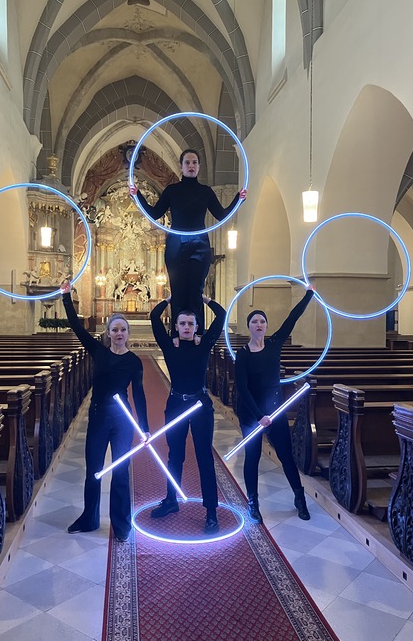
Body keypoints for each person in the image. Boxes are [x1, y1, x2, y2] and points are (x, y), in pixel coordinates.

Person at [60, 280, 149, 541]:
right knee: (94, 469)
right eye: (115, 329)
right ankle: (89, 518)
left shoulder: (134, 362)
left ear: (128, 333)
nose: (119, 333)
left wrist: (144, 428)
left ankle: (121, 524)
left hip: (122, 420)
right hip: (98, 416)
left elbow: (140, 395)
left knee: (120, 472)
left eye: (123, 329)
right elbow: (77, 326)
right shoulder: (98, 351)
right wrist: (66, 296)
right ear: (108, 333)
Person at [130, 149, 246, 337]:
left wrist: (238, 199)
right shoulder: (172, 191)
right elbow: (155, 213)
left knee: (196, 291)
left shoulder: (206, 192)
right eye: (187, 163)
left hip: (200, 245)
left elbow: (222, 214)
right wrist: (137, 195)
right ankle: (176, 336)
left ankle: (197, 335)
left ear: (199, 167)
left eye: (194, 163)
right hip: (176, 244)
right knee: (178, 291)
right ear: (181, 166)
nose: (191, 166)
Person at [235, 287, 314, 524]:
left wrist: (309, 295)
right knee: (252, 457)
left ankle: (299, 498)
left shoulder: (274, 344)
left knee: (286, 456)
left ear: (266, 326)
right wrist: (259, 416)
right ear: (249, 326)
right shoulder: (242, 354)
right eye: (254, 321)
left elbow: (292, 318)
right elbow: (242, 389)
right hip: (252, 415)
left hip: (276, 411)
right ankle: (253, 503)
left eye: (262, 321)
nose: (259, 324)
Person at [150, 294, 225, 533]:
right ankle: (171, 500)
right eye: (182, 323)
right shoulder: (169, 346)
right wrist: (169, 299)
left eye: (190, 324)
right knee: (175, 455)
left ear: (196, 327)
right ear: (176, 326)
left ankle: (211, 511)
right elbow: (154, 317)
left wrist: (204, 299)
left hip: (200, 405)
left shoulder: (204, 345)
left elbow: (221, 315)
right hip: (176, 404)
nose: (186, 327)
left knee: (204, 457)